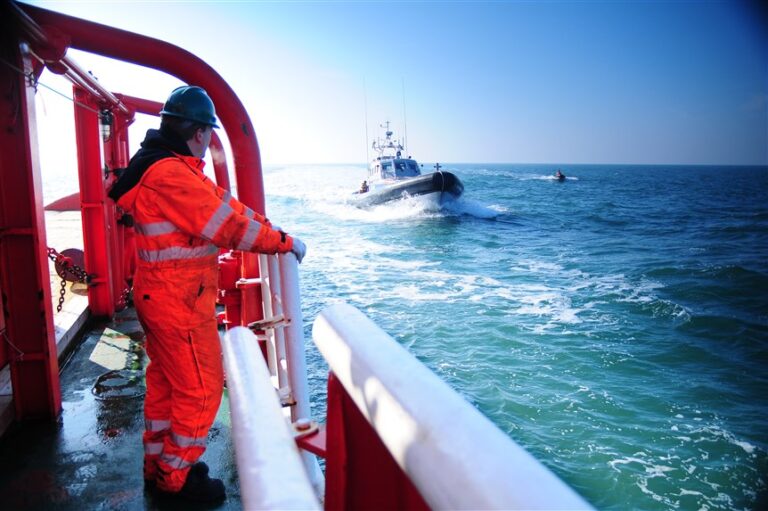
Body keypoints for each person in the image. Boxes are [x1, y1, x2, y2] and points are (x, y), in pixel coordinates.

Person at [108, 85, 306, 503]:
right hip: (177, 302)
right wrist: (284, 243)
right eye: (208, 134)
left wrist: (270, 228)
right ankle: (175, 482)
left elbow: (227, 206)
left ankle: (159, 466)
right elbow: (227, 227)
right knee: (201, 391)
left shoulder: (173, 168)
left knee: (167, 386)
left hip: (164, 297)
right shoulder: (170, 175)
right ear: (199, 132)